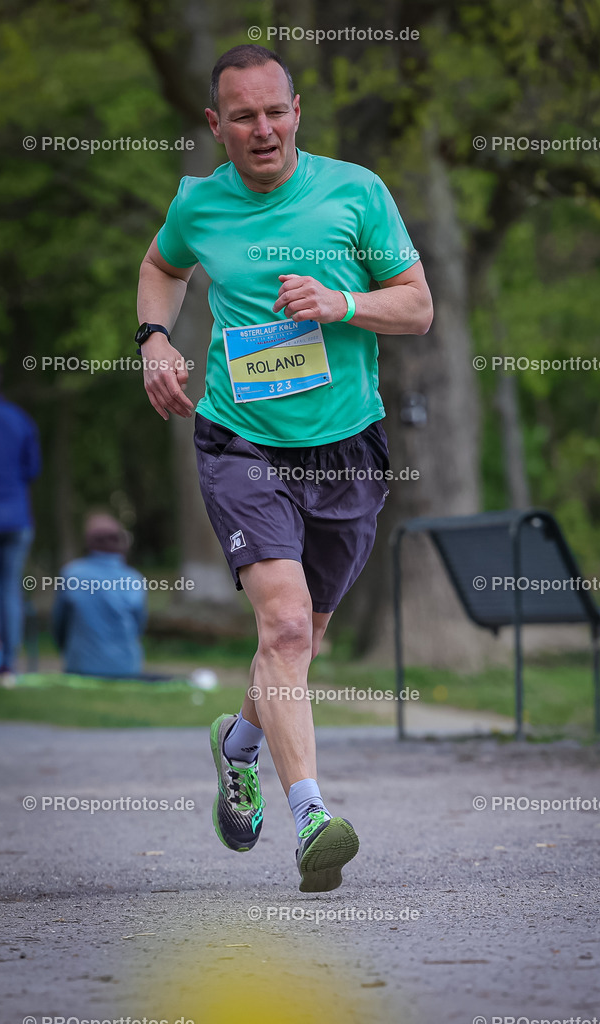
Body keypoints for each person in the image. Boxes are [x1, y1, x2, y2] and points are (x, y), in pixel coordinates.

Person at [136, 44, 433, 892]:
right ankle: (311, 817)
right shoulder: (198, 204)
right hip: (241, 441)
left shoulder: (355, 192)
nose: (262, 129)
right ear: (216, 124)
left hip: (346, 444)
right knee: (287, 628)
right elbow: (161, 267)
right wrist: (154, 339)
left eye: (275, 111)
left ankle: (238, 745)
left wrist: (343, 302)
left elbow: (417, 307)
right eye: (243, 116)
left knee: (301, 639)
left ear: (297, 111)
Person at [52, 514, 147, 678]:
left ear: (88, 542)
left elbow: (60, 623)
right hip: (126, 667)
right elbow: (139, 626)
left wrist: (67, 651)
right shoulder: (133, 579)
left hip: (81, 666)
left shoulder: (72, 574)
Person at [0, 363, 41, 687]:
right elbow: (32, 469)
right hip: (16, 516)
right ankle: (8, 665)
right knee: (10, 590)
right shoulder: (20, 419)